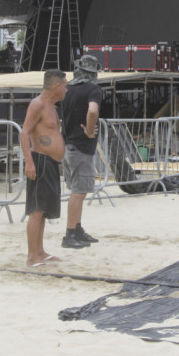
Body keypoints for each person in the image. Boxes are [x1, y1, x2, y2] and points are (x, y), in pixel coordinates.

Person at [19, 69, 69, 268]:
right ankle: (32, 256)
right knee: (36, 210)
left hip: (50, 163)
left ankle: (40, 251)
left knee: (44, 210)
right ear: (56, 86)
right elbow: (24, 133)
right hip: (39, 160)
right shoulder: (38, 104)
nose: (66, 89)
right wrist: (29, 161)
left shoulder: (52, 106)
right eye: (65, 85)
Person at [60, 55, 104, 250]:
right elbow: (93, 111)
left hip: (67, 144)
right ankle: (70, 233)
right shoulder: (93, 90)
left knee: (76, 189)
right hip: (81, 147)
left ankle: (77, 229)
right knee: (79, 192)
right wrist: (88, 129)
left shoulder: (67, 90)